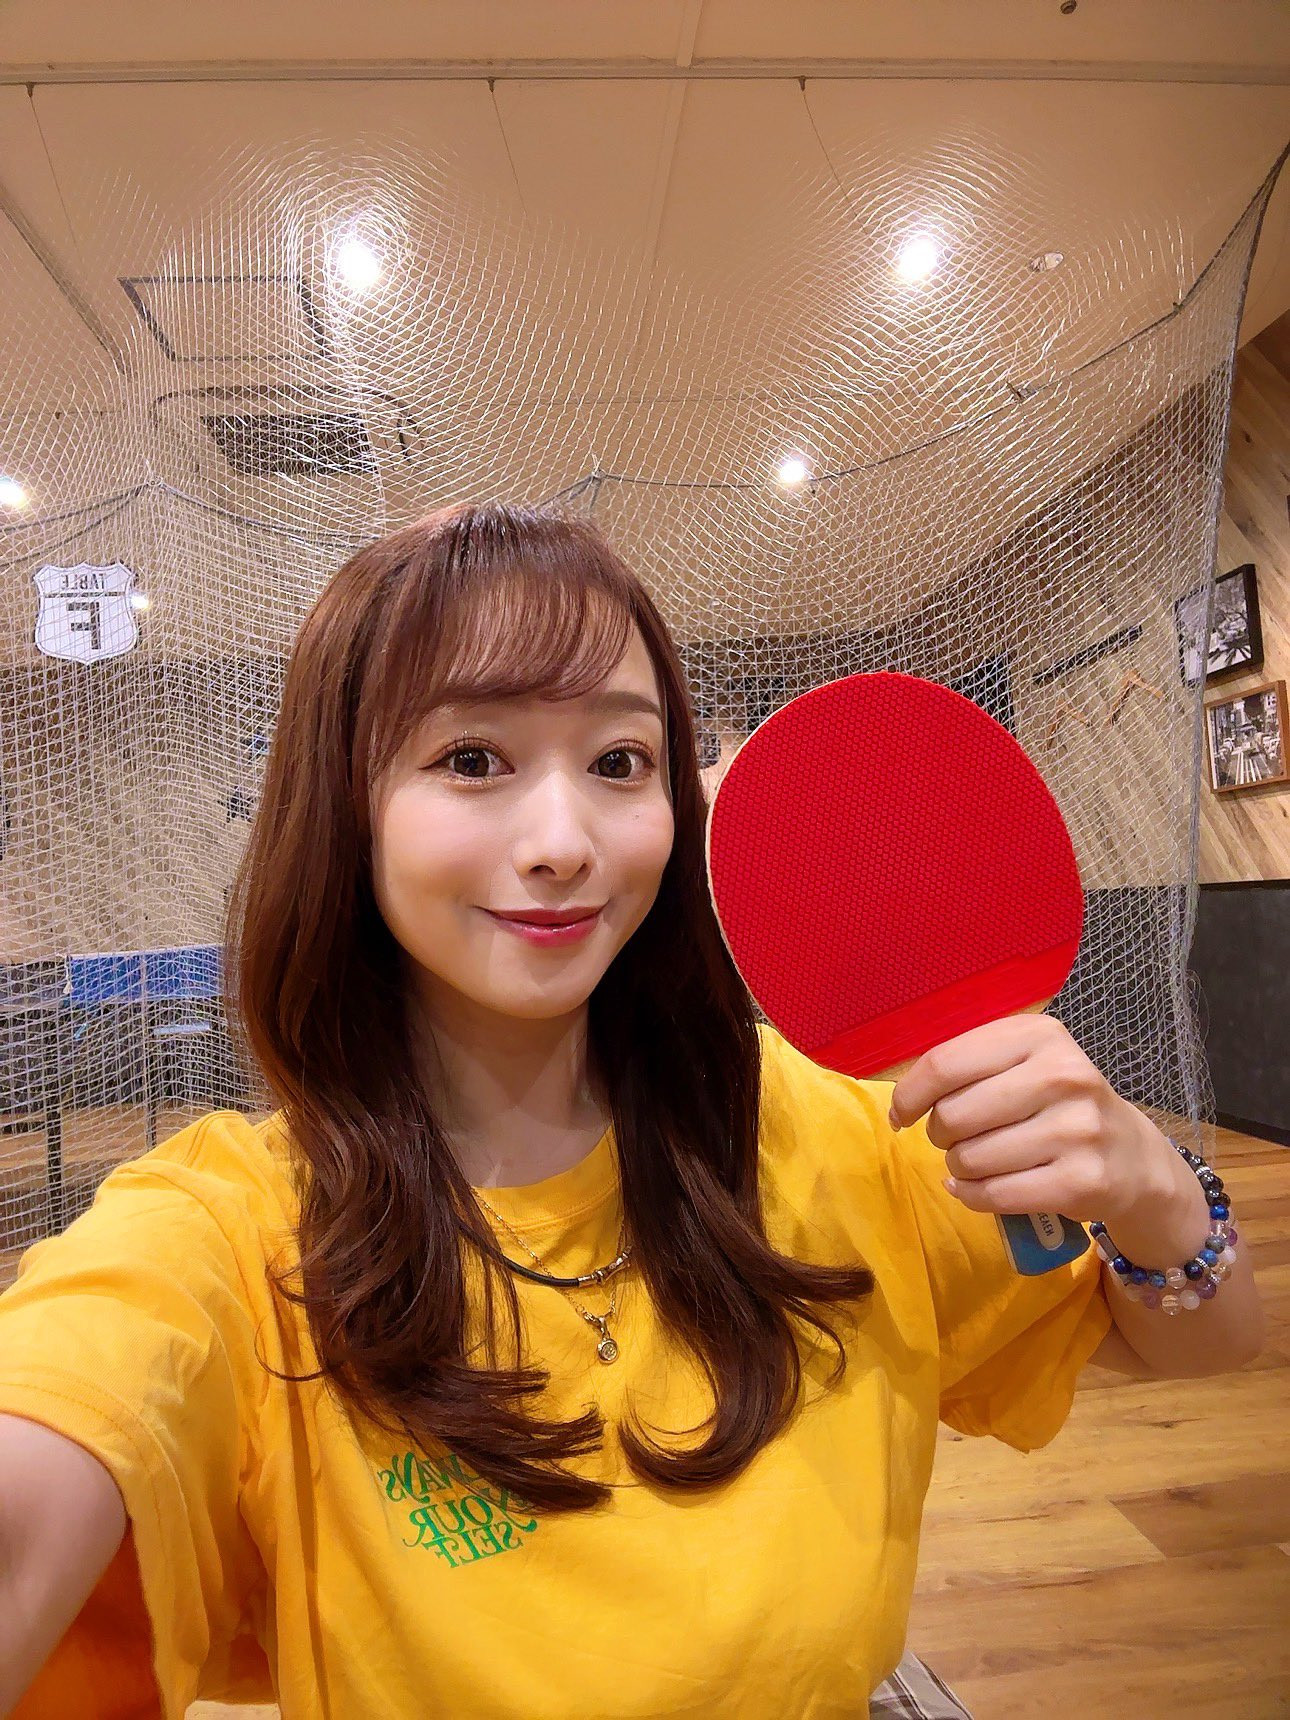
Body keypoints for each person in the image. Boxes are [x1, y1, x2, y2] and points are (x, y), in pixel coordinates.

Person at [0, 501, 1264, 1719]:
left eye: (619, 761)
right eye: (472, 759)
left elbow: (1208, 1346)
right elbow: (69, 1411)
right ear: (345, 805)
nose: (565, 840)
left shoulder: (835, 1128)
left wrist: (1156, 1196)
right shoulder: (224, 1231)